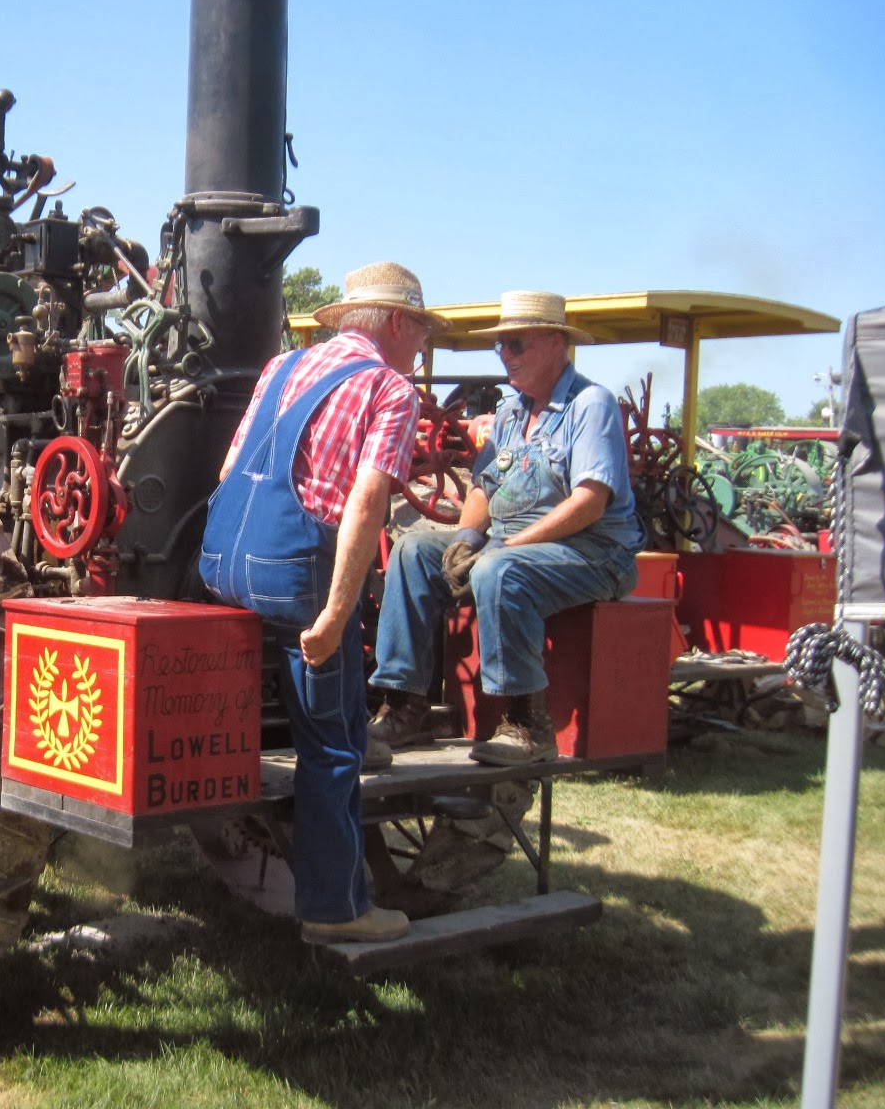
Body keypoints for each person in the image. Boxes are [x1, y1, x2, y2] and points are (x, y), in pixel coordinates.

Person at [200, 260, 442, 945]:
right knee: (335, 745)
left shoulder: (282, 367)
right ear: (397, 323)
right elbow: (368, 500)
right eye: (420, 328)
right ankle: (336, 911)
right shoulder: (389, 389)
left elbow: (226, 472)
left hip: (222, 565)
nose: (421, 343)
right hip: (295, 581)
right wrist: (337, 615)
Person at [368, 290, 644, 765]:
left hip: (595, 552)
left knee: (501, 571)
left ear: (556, 343)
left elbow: (589, 503)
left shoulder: (590, 404)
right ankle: (405, 705)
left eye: (515, 344)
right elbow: (482, 488)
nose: (504, 355)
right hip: (514, 545)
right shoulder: (513, 411)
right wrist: (466, 539)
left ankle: (527, 725)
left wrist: (504, 546)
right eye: (500, 346)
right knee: (413, 551)